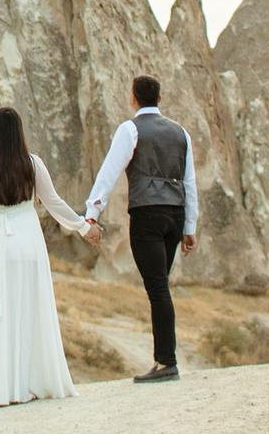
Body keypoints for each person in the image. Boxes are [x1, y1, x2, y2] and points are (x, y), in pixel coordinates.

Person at [0, 105, 95, 409]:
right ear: (19, 133)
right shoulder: (33, 164)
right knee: (27, 309)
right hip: (26, 241)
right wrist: (82, 226)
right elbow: (53, 203)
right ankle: (27, 380)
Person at [82, 73, 197, 383]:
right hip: (175, 214)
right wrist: (190, 226)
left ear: (133, 98)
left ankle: (166, 362)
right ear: (158, 99)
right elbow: (189, 182)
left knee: (157, 288)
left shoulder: (130, 129)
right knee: (161, 287)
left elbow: (110, 170)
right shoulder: (180, 132)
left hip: (147, 213)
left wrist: (93, 211)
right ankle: (165, 359)